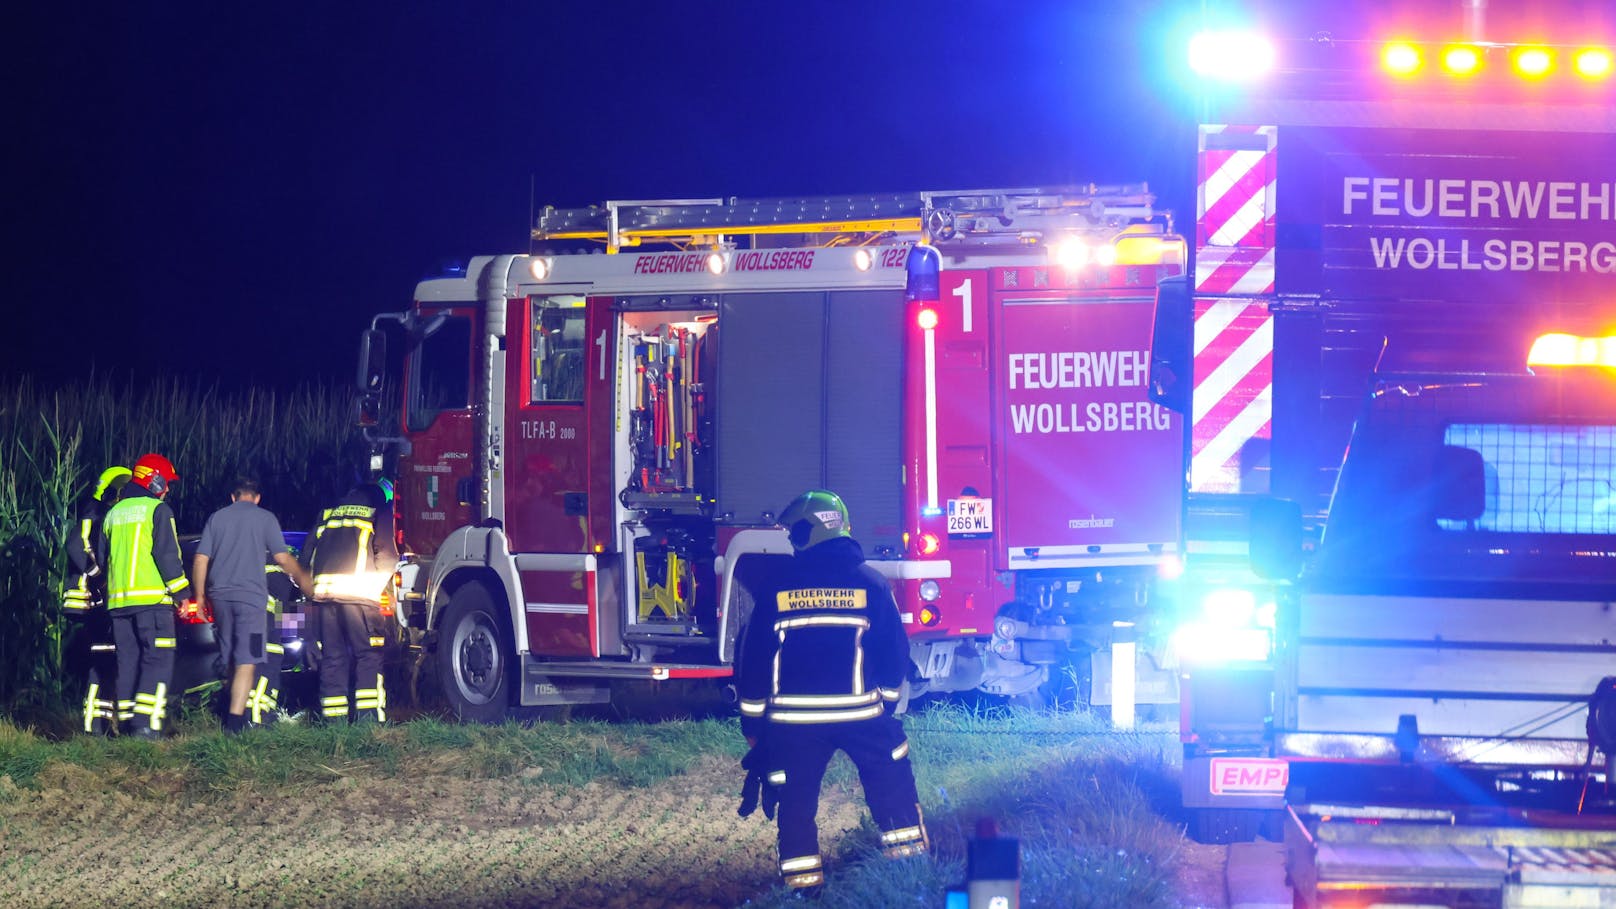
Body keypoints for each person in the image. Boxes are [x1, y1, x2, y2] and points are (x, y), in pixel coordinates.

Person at [736, 489, 928, 895]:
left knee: (796, 807)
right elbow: (894, 652)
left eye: (793, 531)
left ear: (810, 531)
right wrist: (887, 705)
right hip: (862, 717)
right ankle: (909, 877)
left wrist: (753, 723)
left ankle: (804, 890)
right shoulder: (872, 585)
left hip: (794, 725)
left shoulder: (777, 588)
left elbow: (753, 661)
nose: (790, 539)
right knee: (891, 789)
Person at [191, 475, 314, 733]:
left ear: (232, 497)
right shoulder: (265, 518)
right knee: (248, 660)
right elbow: (282, 558)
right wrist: (304, 579)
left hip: (220, 597)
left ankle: (230, 710)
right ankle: (235, 723)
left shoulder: (217, 518)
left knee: (231, 658)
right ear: (257, 498)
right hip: (252, 602)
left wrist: (200, 597)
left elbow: (201, 559)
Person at [101, 453, 189, 738]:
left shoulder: (113, 513)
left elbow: (104, 560)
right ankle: (146, 725)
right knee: (158, 659)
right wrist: (182, 594)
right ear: (154, 480)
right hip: (152, 602)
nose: (167, 489)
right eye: (166, 483)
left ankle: (127, 724)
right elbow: (167, 556)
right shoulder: (157, 510)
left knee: (127, 661)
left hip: (118, 604)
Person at [303, 480, 398, 724]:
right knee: (368, 655)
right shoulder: (379, 513)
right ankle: (368, 721)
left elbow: (306, 557)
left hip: (324, 598)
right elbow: (387, 555)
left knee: (333, 657)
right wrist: (378, 590)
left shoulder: (327, 513)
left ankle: (334, 723)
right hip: (360, 598)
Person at [63, 465, 133, 735]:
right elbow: (75, 546)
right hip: (91, 599)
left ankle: (101, 726)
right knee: (100, 663)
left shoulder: (99, 513)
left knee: (104, 662)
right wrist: (97, 575)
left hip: (95, 600)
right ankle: (95, 727)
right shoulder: (94, 513)